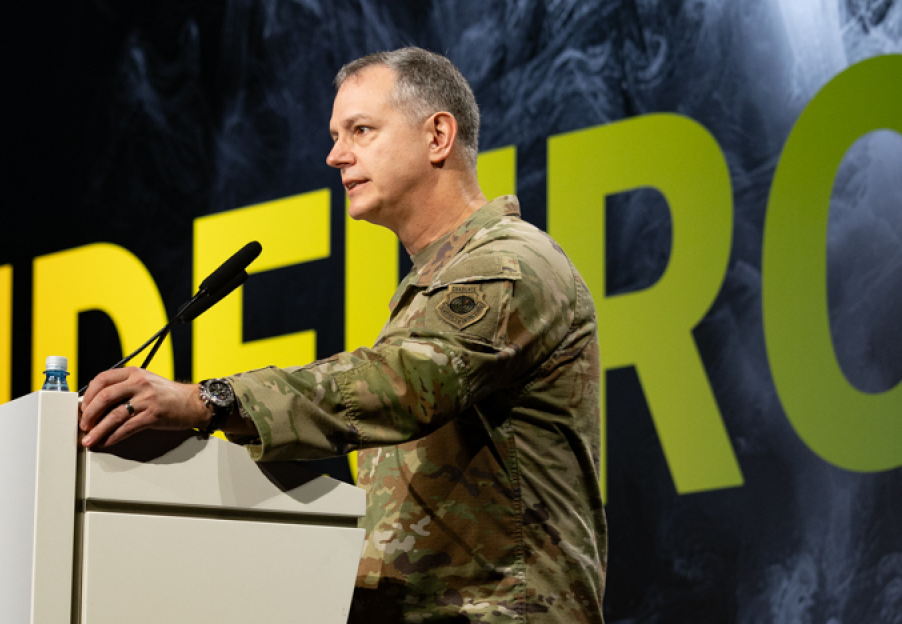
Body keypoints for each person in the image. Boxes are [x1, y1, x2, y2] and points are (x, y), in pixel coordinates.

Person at [79, 47, 606, 623]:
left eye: (361, 130)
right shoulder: (430, 288)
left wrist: (208, 401)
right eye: (335, 135)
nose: (335, 155)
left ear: (437, 136)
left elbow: (400, 385)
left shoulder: (508, 264)